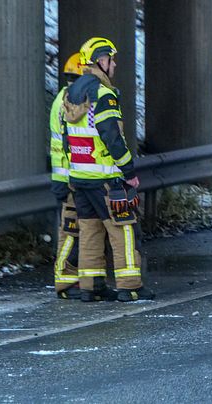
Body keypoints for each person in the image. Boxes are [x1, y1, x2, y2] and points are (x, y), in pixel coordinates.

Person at [63, 37, 153, 303]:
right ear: (101, 61)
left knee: (90, 231)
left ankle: (91, 287)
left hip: (80, 177)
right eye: (111, 60)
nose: (113, 65)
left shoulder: (71, 93)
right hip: (106, 178)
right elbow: (112, 137)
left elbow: (67, 138)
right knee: (122, 230)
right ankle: (130, 286)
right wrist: (129, 172)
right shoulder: (103, 95)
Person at [49, 52, 86, 299]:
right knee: (71, 233)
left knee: (73, 232)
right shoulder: (70, 101)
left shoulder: (62, 99)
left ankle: (74, 278)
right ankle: (66, 280)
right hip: (71, 178)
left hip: (67, 176)